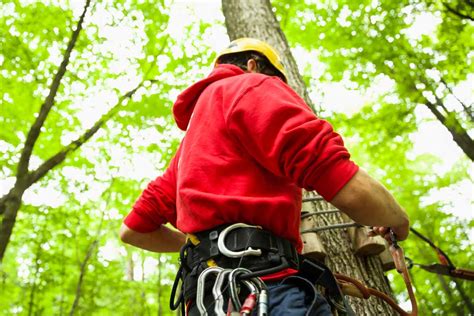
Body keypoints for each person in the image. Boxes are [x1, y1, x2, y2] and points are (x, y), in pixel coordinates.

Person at [120, 38, 409, 315]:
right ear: (253, 65)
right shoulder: (250, 85)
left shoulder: (187, 152)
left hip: (205, 300)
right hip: (267, 289)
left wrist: (201, 246)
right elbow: (331, 171)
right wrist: (396, 220)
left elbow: (133, 230)